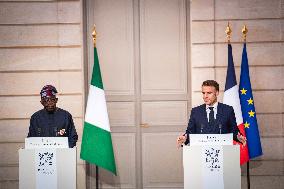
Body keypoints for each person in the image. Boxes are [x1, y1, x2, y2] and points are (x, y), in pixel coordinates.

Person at [177, 80, 246, 147]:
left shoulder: (228, 110)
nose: (205, 96)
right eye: (203, 93)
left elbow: (234, 131)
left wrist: (238, 137)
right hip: (201, 153)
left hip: (222, 153)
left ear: (217, 93)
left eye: (209, 93)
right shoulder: (196, 111)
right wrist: (184, 138)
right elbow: (190, 132)